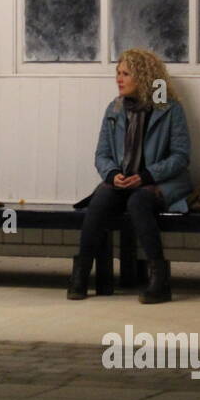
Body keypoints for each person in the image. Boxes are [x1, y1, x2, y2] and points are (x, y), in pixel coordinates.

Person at [69, 48, 191, 304]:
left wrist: (146, 176)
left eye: (125, 74)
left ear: (143, 77)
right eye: (118, 73)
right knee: (101, 198)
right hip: (124, 180)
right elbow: (101, 154)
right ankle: (80, 274)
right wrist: (113, 175)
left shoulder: (169, 108)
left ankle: (159, 279)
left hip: (160, 183)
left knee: (138, 201)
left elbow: (181, 157)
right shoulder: (114, 109)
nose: (119, 79)